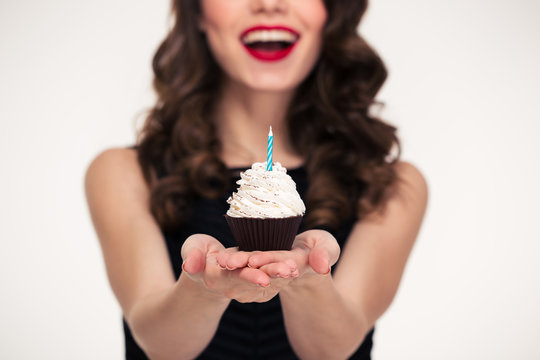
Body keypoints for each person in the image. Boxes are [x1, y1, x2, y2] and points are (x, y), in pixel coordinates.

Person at [85, 0, 428, 359]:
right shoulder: (125, 172)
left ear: (331, 12)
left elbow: (332, 350)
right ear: (198, 12)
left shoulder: (391, 186)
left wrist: (309, 278)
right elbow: (159, 345)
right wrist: (203, 287)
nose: (269, 3)